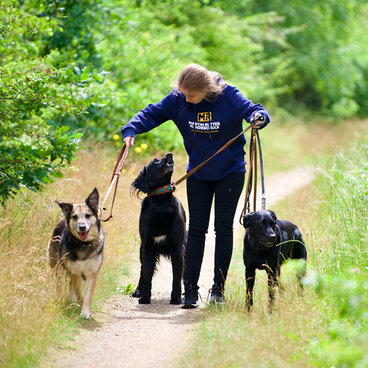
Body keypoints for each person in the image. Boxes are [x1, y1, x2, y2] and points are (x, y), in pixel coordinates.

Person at [121, 63, 270, 308]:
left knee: (223, 229)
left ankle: (218, 290)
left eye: (191, 95)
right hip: (199, 173)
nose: (187, 100)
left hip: (230, 172)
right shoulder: (178, 98)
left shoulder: (228, 94)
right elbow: (151, 113)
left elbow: (254, 110)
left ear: (207, 89)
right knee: (196, 230)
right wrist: (131, 129)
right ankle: (190, 290)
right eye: (183, 94)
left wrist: (259, 118)